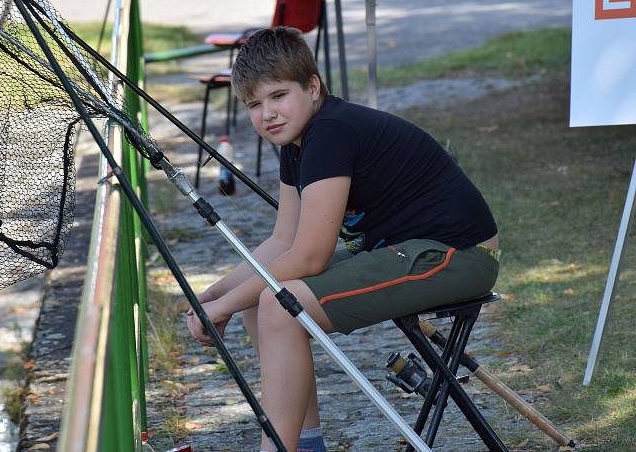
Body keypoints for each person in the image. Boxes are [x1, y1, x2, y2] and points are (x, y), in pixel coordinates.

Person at [186, 27, 500, 452]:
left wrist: (221, 305)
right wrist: (213, 297)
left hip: (455, 256)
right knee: (258, 307)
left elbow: (311, 257)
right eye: (254, 104)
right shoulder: (298, 144)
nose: (267, 114)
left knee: (277, 307)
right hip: (410, 252)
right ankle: (306, 444)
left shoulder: (331, 132)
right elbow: (283, 243)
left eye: (278, 96)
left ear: (312, 87)